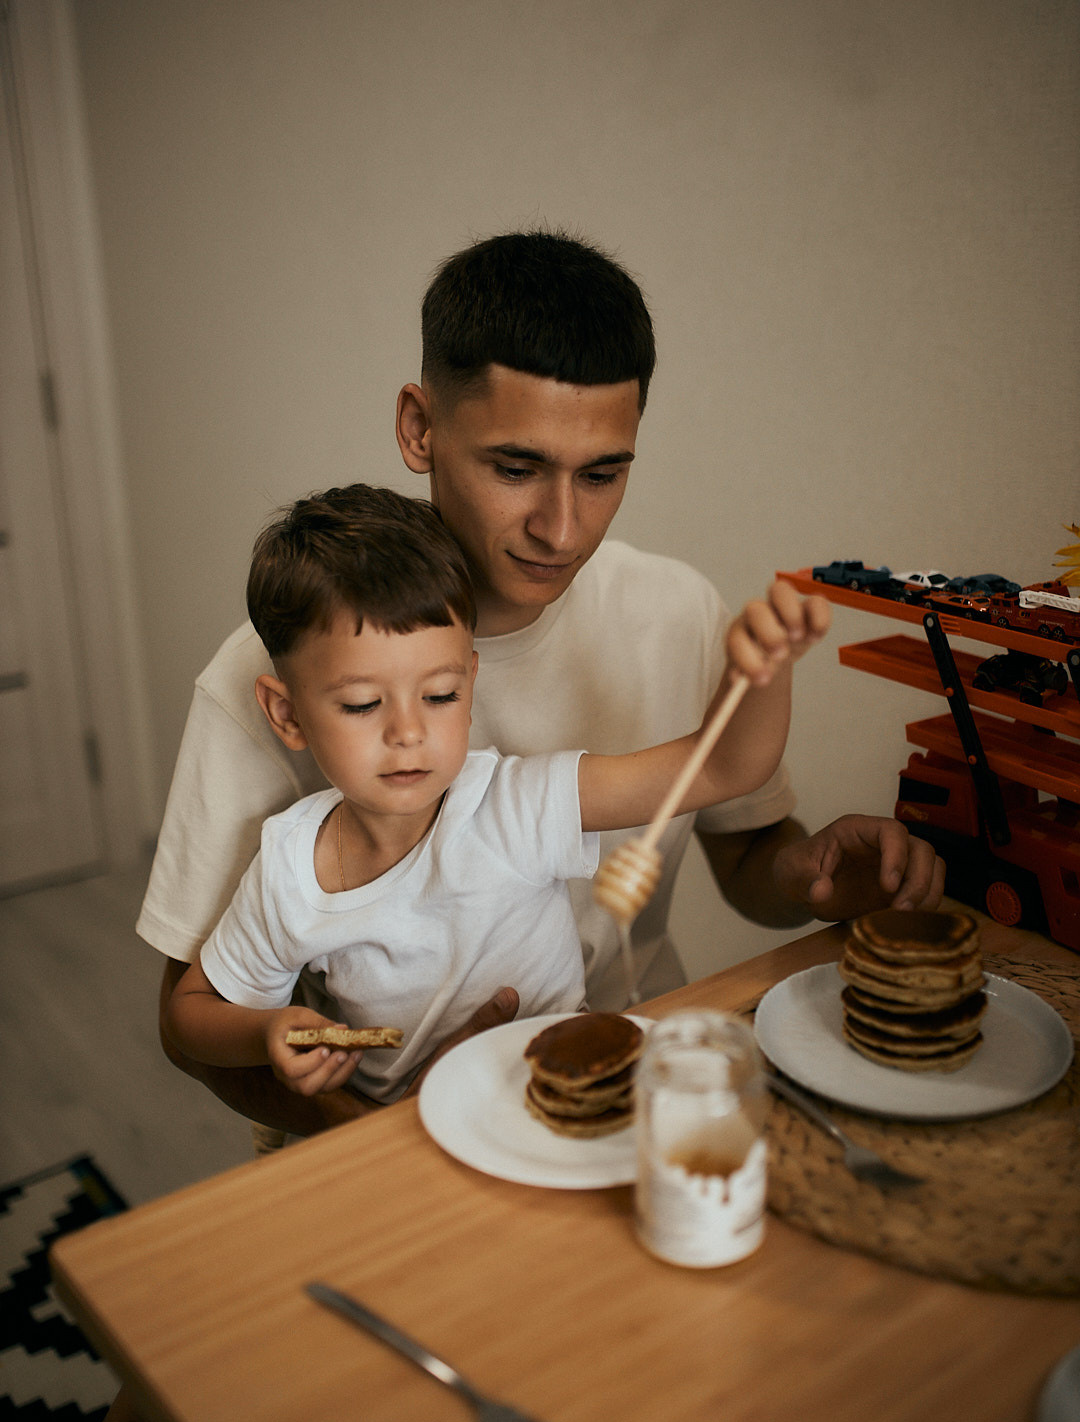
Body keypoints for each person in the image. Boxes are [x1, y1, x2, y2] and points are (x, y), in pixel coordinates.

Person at [139, 228, 944, 1138]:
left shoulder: (676, 613)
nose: (561, 529)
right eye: (516, 469)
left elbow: (742, 838)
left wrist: (807, 875)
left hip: (626, 1073)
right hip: (370, 1141)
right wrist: (409, 1131)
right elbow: (191, 1021)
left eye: (601, 475)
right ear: (420, 427)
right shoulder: (266, 669)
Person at [161, 483, 829, 1099]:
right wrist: (268, 1032)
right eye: (363, 704)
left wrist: (766, 673)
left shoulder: (512, 805)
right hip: (402, 1153)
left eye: (441, 695)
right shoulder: (289, 871)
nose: (408, 733)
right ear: (288, 715)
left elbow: (719, 769)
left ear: (470, 684)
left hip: (565, 1104)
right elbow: (191, 1015)